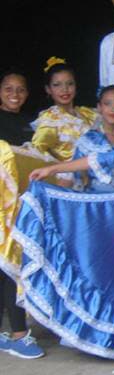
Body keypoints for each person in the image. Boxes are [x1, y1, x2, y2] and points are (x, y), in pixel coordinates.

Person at [0, 139, 43, 359]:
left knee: (8, 272)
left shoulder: (3, 149)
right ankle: (18, 335)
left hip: (5, 220)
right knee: (8, 273)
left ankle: (18, 334)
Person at [30, 58, 97, 186]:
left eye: (69, 84)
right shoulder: (50, 120)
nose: (65, 89)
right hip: (68, 183)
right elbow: (37, 151)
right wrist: (60, 170)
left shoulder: (88, 114)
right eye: (57, 85)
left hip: (95, 178)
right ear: (48, 89)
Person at [71, 85, 114, 192]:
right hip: (100, 201)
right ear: (99, 107)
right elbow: (78, 179)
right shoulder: (88, 141)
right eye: (108, 104)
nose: (113, 109)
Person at [0, 69, 32, 146]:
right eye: (8, 89)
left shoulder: (33, 122)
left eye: (21, 90)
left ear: (27, 93)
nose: (15, 94)